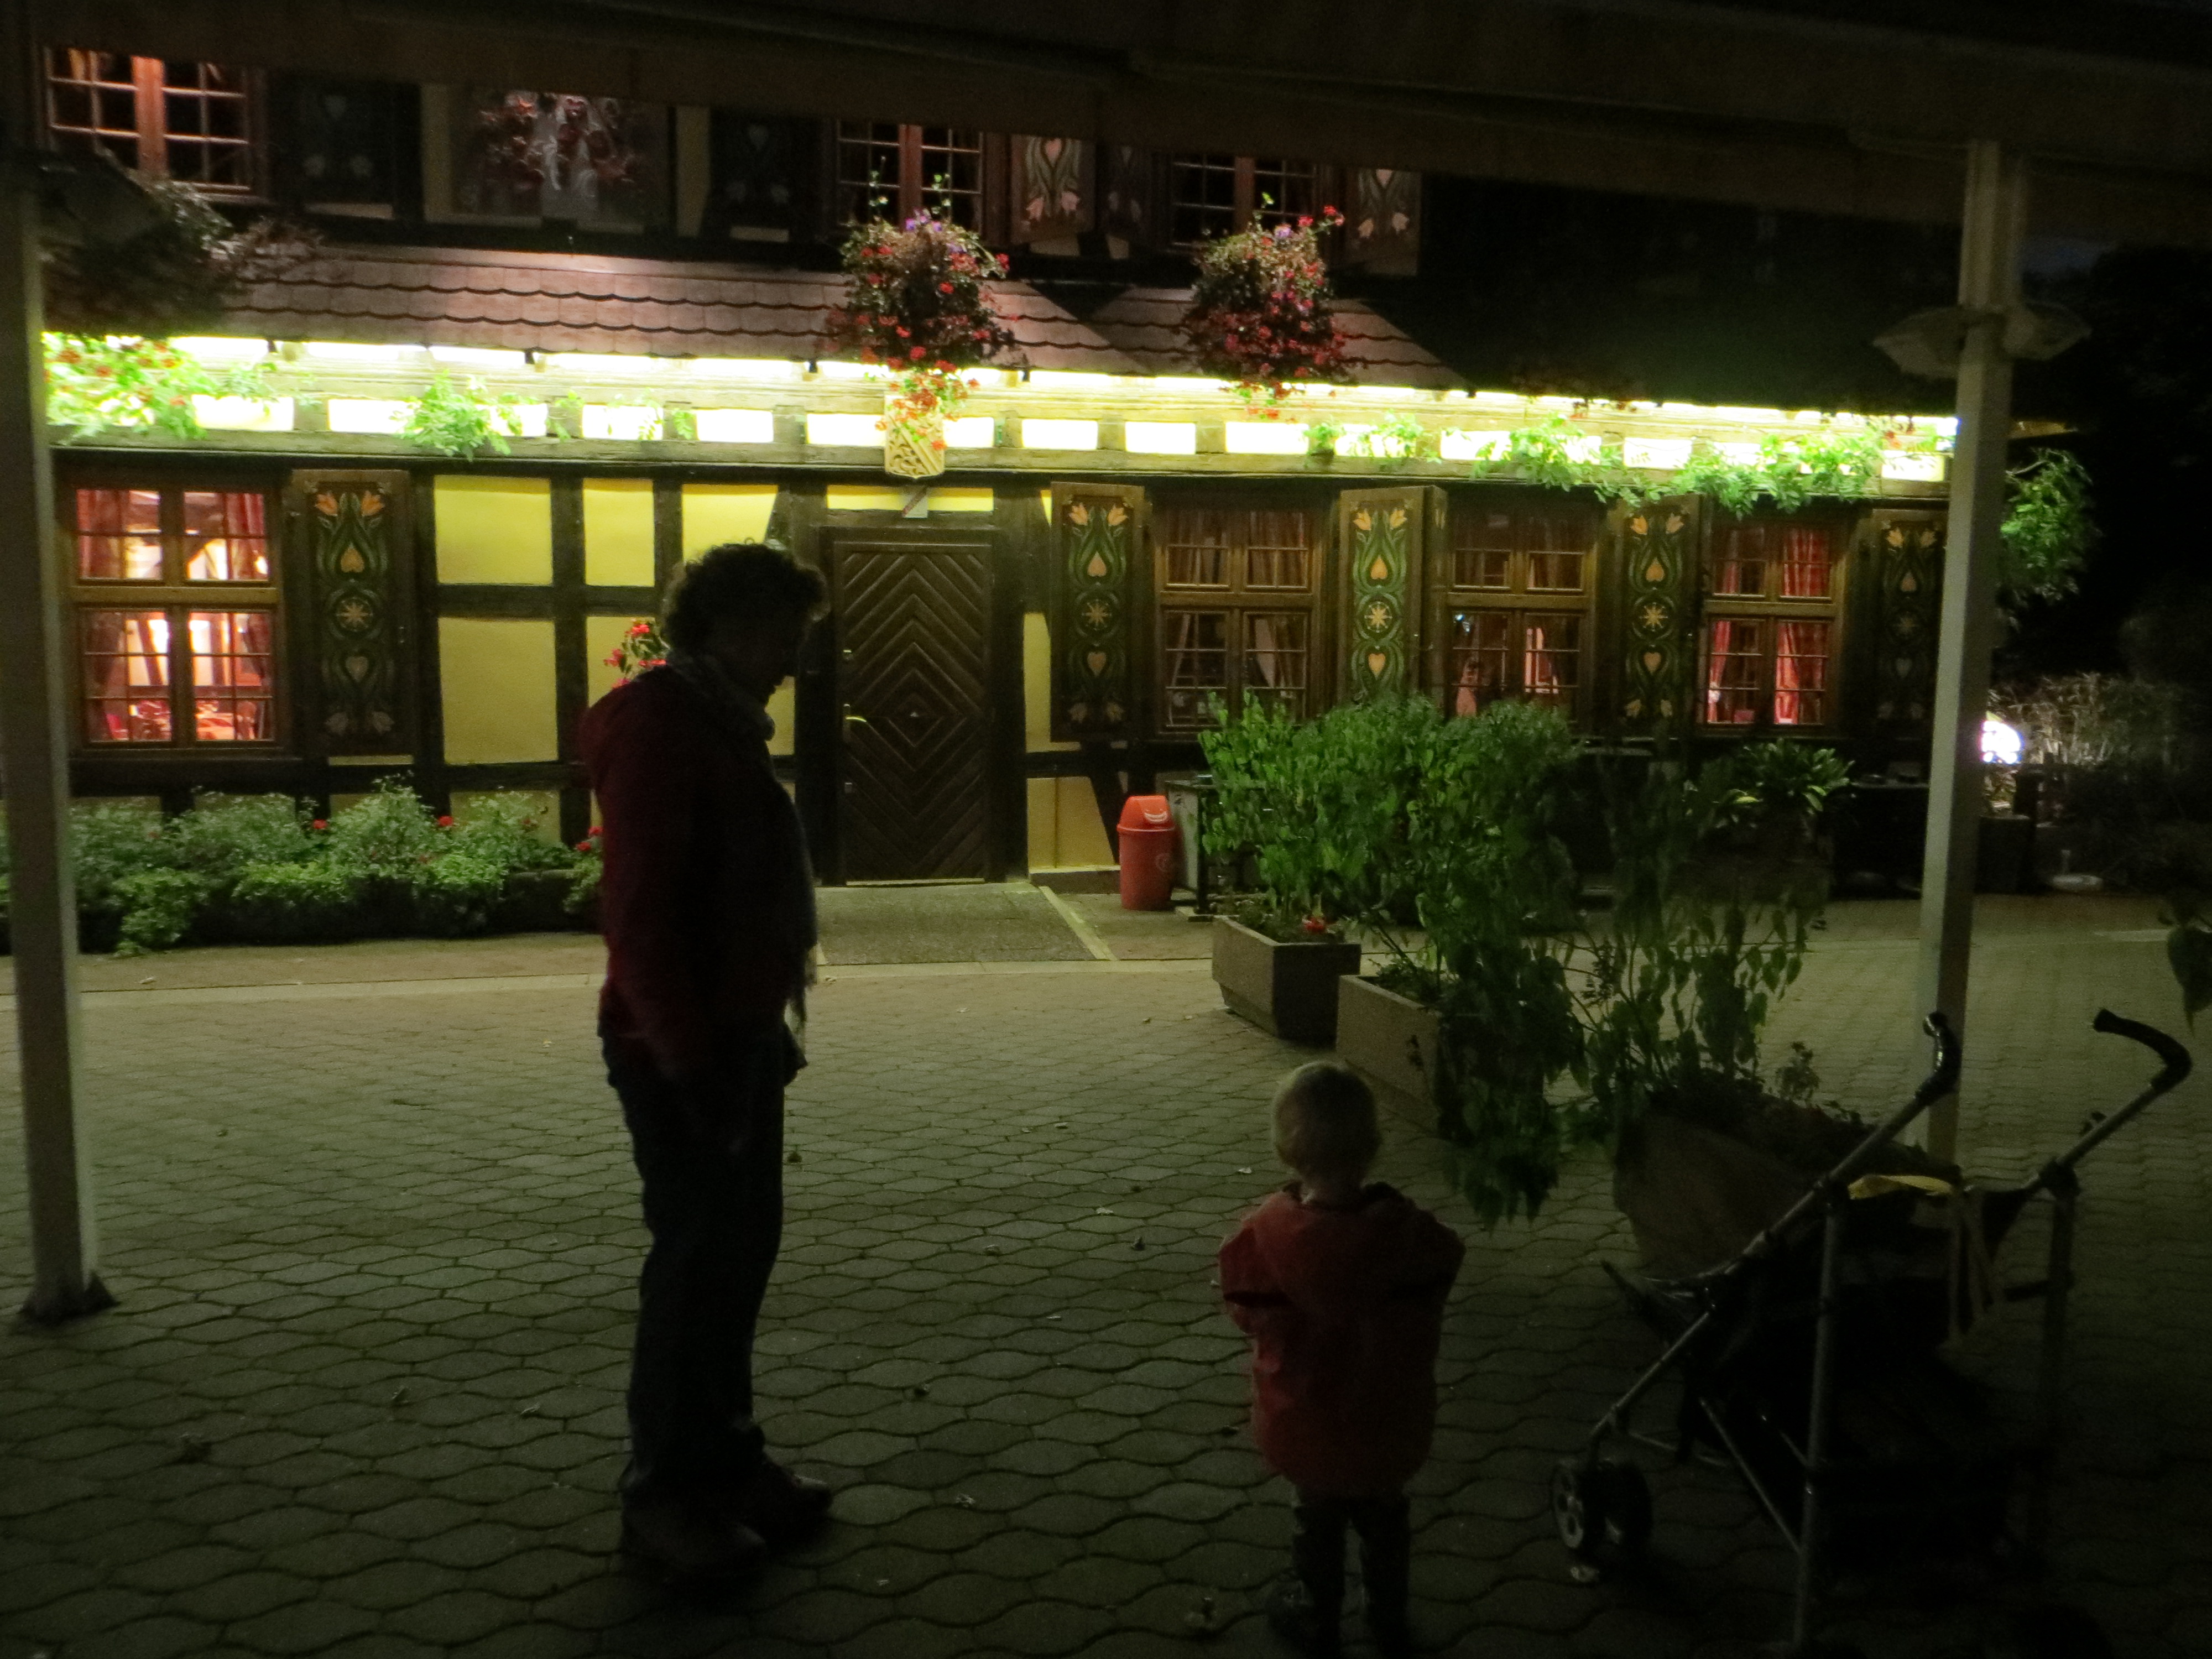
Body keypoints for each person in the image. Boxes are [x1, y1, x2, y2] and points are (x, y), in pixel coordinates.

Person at [580, 542, 833, 1581]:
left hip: (736, 1036)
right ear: (729, 626)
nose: (794, 661)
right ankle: (662, 1497)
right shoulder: (660, 728)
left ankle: (728, 1461)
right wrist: (691, 1064)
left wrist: (762, 1028)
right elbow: (640, 919)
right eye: (785, 636)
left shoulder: (718, 722)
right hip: (681, 1050)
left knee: (737, 1260)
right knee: (693, 1271)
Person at [1218, 1062, 1465, 1656]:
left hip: (1305, 1419)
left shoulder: (1264, 1238)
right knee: (1385, 1515)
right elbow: (1440, 1275)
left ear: (1286, 1148)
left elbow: (1247, 1312)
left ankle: (1316, 1611)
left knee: (1317, 1514)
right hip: (1387, 1419)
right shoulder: (1411, 1237)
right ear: (1372, 1144)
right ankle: (1386, 1614)